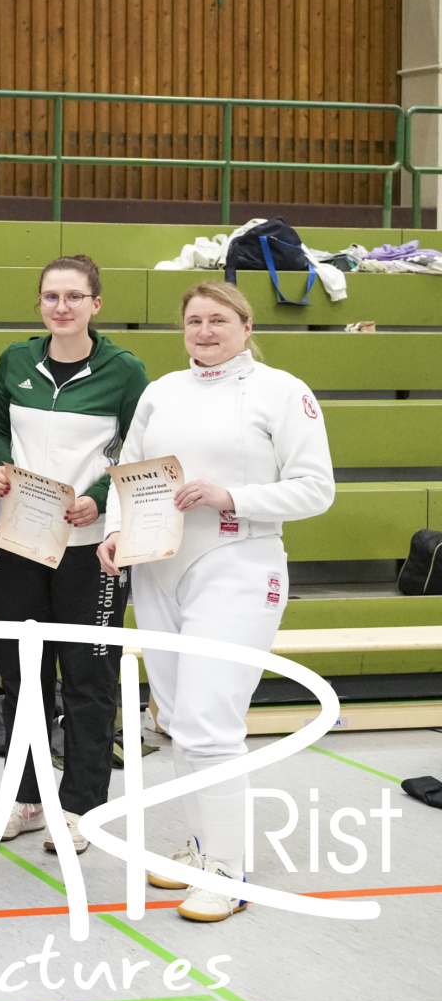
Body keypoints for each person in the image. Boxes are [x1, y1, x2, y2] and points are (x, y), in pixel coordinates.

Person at [100, 280, 333, 923]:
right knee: (178, 718)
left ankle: (229, 872)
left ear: (246, 326)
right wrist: (118, 531)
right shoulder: (161, 392)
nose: (205, 331)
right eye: (195, 320)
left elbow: (316, 488)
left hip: (238, 563)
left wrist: (232, 497)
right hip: (160, 567)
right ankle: (203, 847)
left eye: (219, 320)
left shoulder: (282, 391)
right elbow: (131, 477)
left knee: (209, 720)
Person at [0, 255, 149, 853]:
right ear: (40, 303)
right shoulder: (15, 360)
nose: (62, 307)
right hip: (18, 540)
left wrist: (98, 499)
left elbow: (137, 452)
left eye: (74, 296)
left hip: (90, 550)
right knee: (21, 675)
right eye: (51, 296)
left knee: (88, 679)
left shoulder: (125, 371)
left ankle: (81, 807)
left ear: (96, 304)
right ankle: (26, 798)